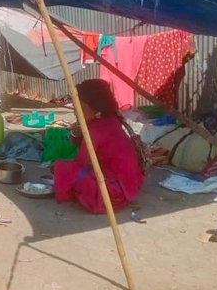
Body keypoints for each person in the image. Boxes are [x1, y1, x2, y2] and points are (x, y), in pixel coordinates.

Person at [54, 79, 148, 214]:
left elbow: (81, 161)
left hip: (113, 195)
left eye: (79, 108)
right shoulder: (111, 121)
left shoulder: (96, 129)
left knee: (62, 168)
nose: (75, 112)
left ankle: (70, 196)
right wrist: (77, 132)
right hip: (129, 186)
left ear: (94, 108)